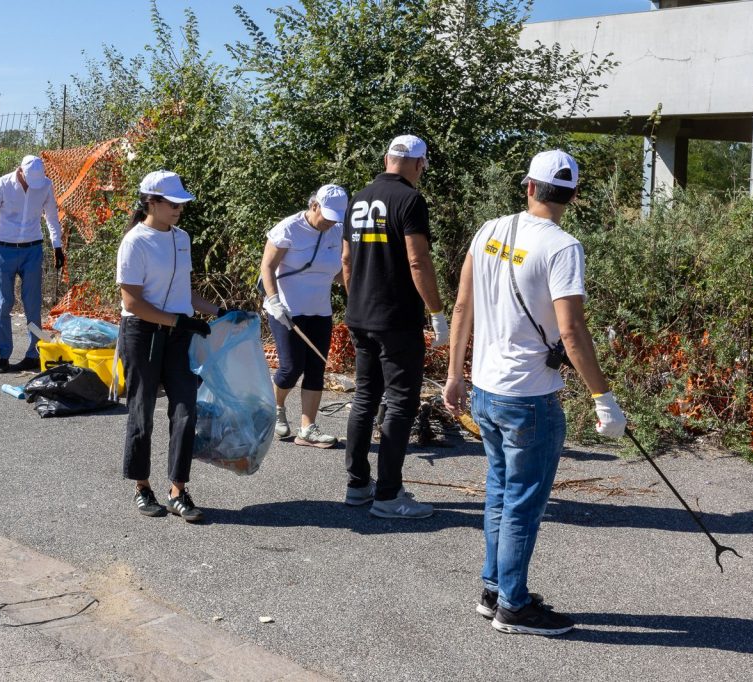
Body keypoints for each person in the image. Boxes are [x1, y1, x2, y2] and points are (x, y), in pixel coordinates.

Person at [442, 150, 627, 636]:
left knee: (500, 494)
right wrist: (603, 398)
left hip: (485, 389)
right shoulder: (563, 247)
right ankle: (514, 607)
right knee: (522, 503)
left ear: (529, 186)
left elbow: (462, 306)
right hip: (529, 397)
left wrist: (455, 374)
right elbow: (572, 331)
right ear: (573, 196)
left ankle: (494, 590)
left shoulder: (489, 230)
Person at [116, 170, 244, 523]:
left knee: (186, 409)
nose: (179, 209)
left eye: (181, 203)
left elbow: (184, 292)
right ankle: (142, 487)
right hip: (142, 333)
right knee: (141, 411)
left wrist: (219, 312)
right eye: (172, 203)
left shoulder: (181, 238)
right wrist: (179, 321)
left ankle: (178, 490)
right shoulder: (134, 242)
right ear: (151, 202)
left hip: (178, 335)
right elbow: (132, 302)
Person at [341, 134, 449, 519]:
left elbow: (347, 260)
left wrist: (358, 301)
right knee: (401, 404)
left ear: (386, 158)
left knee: (365, 399)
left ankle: (358, 485)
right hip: (397, 319)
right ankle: (388, 495)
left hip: (360, 316)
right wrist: (437, 312)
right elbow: (417, 261)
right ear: (419, 164)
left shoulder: (358, 198)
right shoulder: (410, 199)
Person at [260, 184, 349, 448]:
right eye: (327, 216)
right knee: (291, 367)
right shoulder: (289, 228)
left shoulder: (337, 230)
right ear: (314, 206)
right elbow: (267, 266)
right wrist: (274, 301)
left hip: (320, 310)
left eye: (336, 217)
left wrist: (356, 293)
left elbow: (339, 271)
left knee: (316, 368)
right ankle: (276, 407)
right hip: (286, 309)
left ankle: (308, 428)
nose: (331, 222)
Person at [0, 155, 65, 373]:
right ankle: (4, 356)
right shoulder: (2, 185)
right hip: (4, 250)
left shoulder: (45, 185)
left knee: (33, 304)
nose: (32, 185)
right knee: (3, 304)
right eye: (29, 180)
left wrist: (57, 246)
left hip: (32, 250)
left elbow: (52, 217)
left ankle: (34, 353)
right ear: (20, 171)